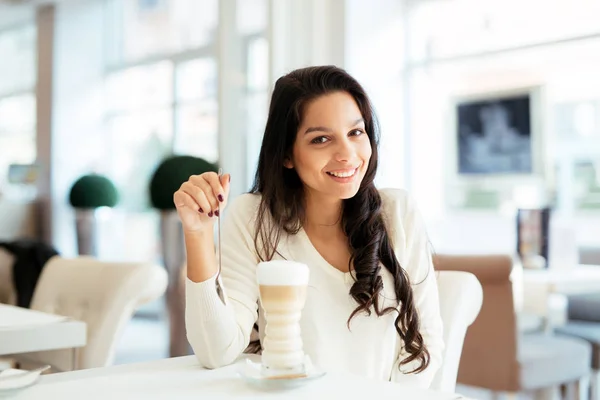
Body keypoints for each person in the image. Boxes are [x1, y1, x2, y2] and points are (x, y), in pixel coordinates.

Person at [175, 65, 444, 388]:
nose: (347, 154)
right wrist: (198, 233)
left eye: (356, 133)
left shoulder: (398, 213)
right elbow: (216, 351)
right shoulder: (253, 217)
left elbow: (424, 345)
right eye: (321, 139)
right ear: (287, 154)